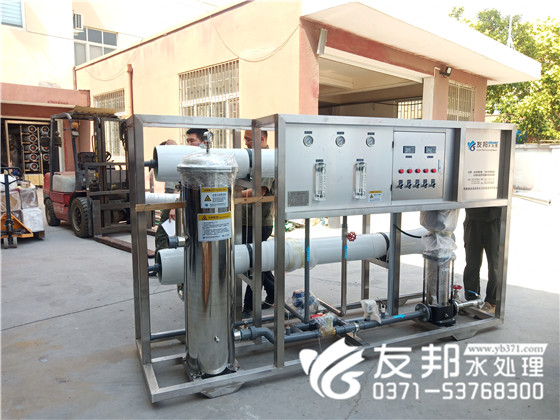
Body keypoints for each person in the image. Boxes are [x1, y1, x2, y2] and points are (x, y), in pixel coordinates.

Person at [241, 129, 275, 319]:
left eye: (248, 140)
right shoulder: (254, 160)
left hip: (259, 222)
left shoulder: (267, 161)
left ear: (261, 139)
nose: (245, 143)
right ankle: (274, 294)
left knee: (254, 263)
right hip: (248, 220)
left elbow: (259, 192)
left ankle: (248, 307)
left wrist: (230, 193)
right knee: (260, 260)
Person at [155, 130, 206, 252]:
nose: (189, 144)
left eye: (192, 141)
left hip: (191, 205)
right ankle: (163, 260)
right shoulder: (189, 158)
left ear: (204, 143)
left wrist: (176, 207)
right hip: (181, 202)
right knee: (164, 237)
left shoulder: (206, 161)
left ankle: (167, 260)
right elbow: (180, 184)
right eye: (188, 141)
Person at [462, 207, 502, 315]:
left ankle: (492, 302)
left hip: (495, 218)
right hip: (473, 217)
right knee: (471, 263)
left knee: (495, 265)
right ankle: (471, 300)